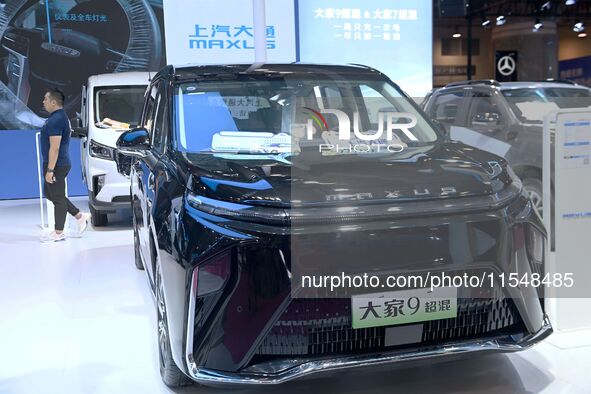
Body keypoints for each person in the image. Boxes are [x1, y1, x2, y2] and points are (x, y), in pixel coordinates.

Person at [40, 88, 90, 242]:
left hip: (57, 164)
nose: (43, 102)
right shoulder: (57, 117)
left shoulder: (57, 120)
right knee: (51, 194)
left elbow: (54, 148)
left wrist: (50, 170)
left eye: (45, 99)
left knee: (58, 198)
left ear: (53, 102)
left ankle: (59, 232)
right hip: (55, 163)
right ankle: (79, 216)